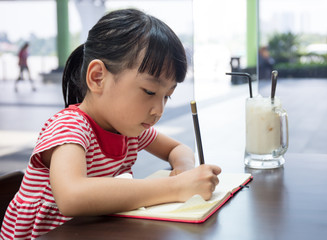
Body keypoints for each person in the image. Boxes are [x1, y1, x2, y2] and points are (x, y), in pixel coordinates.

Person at [0, 9, 221, 239]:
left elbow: (178, 149)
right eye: (149, 91)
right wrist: (175, 188)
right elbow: (72, 196)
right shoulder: (70, 127)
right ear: (98, 78)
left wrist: (183, 172)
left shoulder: (127, 129)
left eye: (167, 96)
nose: (159, 110)